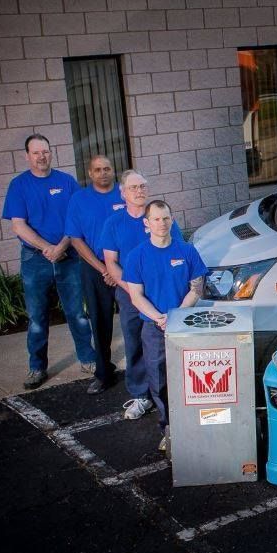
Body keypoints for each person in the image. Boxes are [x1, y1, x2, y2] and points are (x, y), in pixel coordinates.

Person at [2, 133, 96, 389]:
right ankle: (37, 367)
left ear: (51, 153)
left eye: (45, 151)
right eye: (36, 153)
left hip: (68, 256)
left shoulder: (66, 182)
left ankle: (88, 359)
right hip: (35, 260)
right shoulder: (19, 185)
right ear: (27, 156)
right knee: (37, 317)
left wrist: (62, 246)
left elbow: (77, 219)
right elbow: (18, 226)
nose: (41, 156)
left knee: (77, 313)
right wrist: (48, 248)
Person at [121, 200, 207, 452]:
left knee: (192, 379)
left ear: (172, 220)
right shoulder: (136, 256)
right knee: (159, 381)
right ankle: (169, 429)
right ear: (146, 223)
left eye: (166, 218)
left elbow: (197, 288)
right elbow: (135, 296)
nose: (162, 223)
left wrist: (175, 316)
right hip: (154, 328)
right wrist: (159, 318)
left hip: (185, 324)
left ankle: (196, 428)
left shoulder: (187, 251)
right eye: (156, 219)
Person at [100, 171, 182, 420]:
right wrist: (132, 290)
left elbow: (177, 251)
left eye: (143, 186)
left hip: (163, 294)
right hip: (130, 295)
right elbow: (111, 262)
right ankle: (140, 395)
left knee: (169, 344)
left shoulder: (159, 217)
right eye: (133, 187)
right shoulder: (113, 223)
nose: (139, 191)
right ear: (123, 193)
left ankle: (173, 393)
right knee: (135, 342)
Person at [64, 155, 125, 394]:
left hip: (126, 266)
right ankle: (103, 373)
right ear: (90, 173)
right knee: (100, 322)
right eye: (97, 170)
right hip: (95, 267)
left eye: (107, 168)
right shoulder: (79, 199)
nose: (103, 173)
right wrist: (104, 269)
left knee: (136, 319)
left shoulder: (124, 193)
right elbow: (75, 239)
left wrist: (117, 269)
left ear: (113, 170)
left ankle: (144, 372)